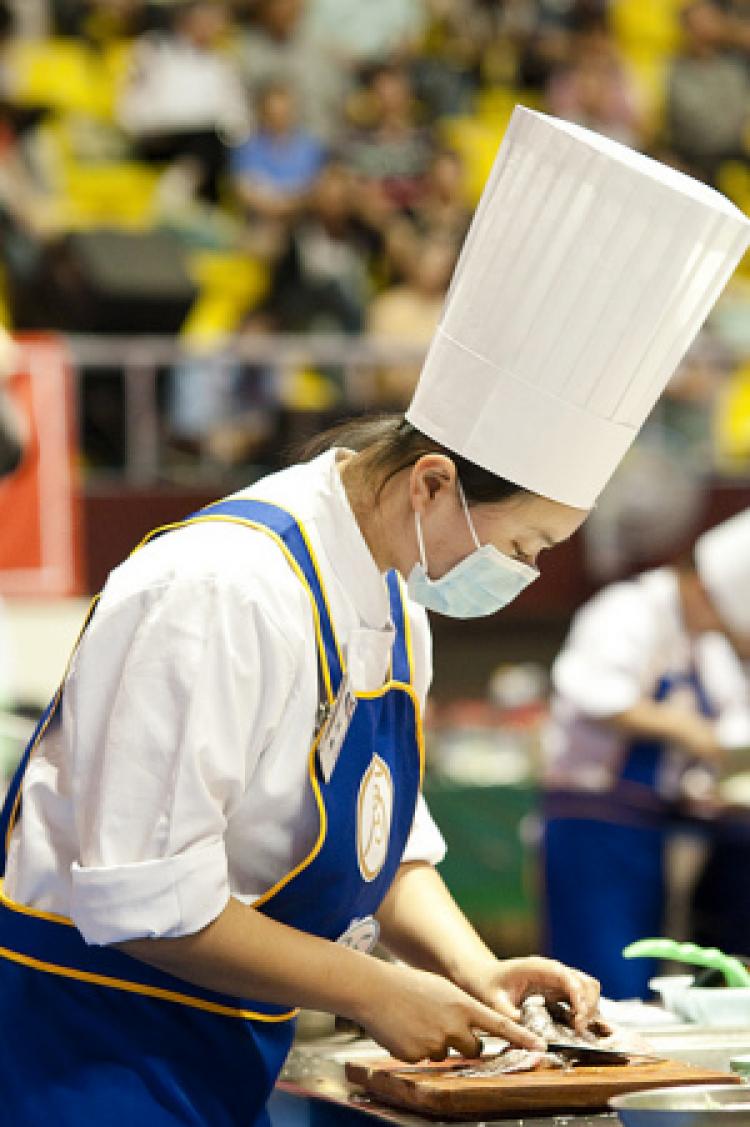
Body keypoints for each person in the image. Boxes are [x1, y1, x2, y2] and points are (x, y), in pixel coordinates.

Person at [0, 107, 747, 1125]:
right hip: (78, 1061)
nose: (525, 575)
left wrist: (475, 969)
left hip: (221, 1057)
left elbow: (387, 846)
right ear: (434, 481)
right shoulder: (220, 589)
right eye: (526, 545)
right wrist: (376, 986)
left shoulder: (398, 596)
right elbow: (144, 901)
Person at [543, 510, 750, 1000]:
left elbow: (731, 721)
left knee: (641, 971)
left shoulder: (703, 645)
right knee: (601, 973)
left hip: (652, 829)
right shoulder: (627, 610)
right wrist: (685, 729)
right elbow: (594, 692)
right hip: (592, 824)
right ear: (700, 586)